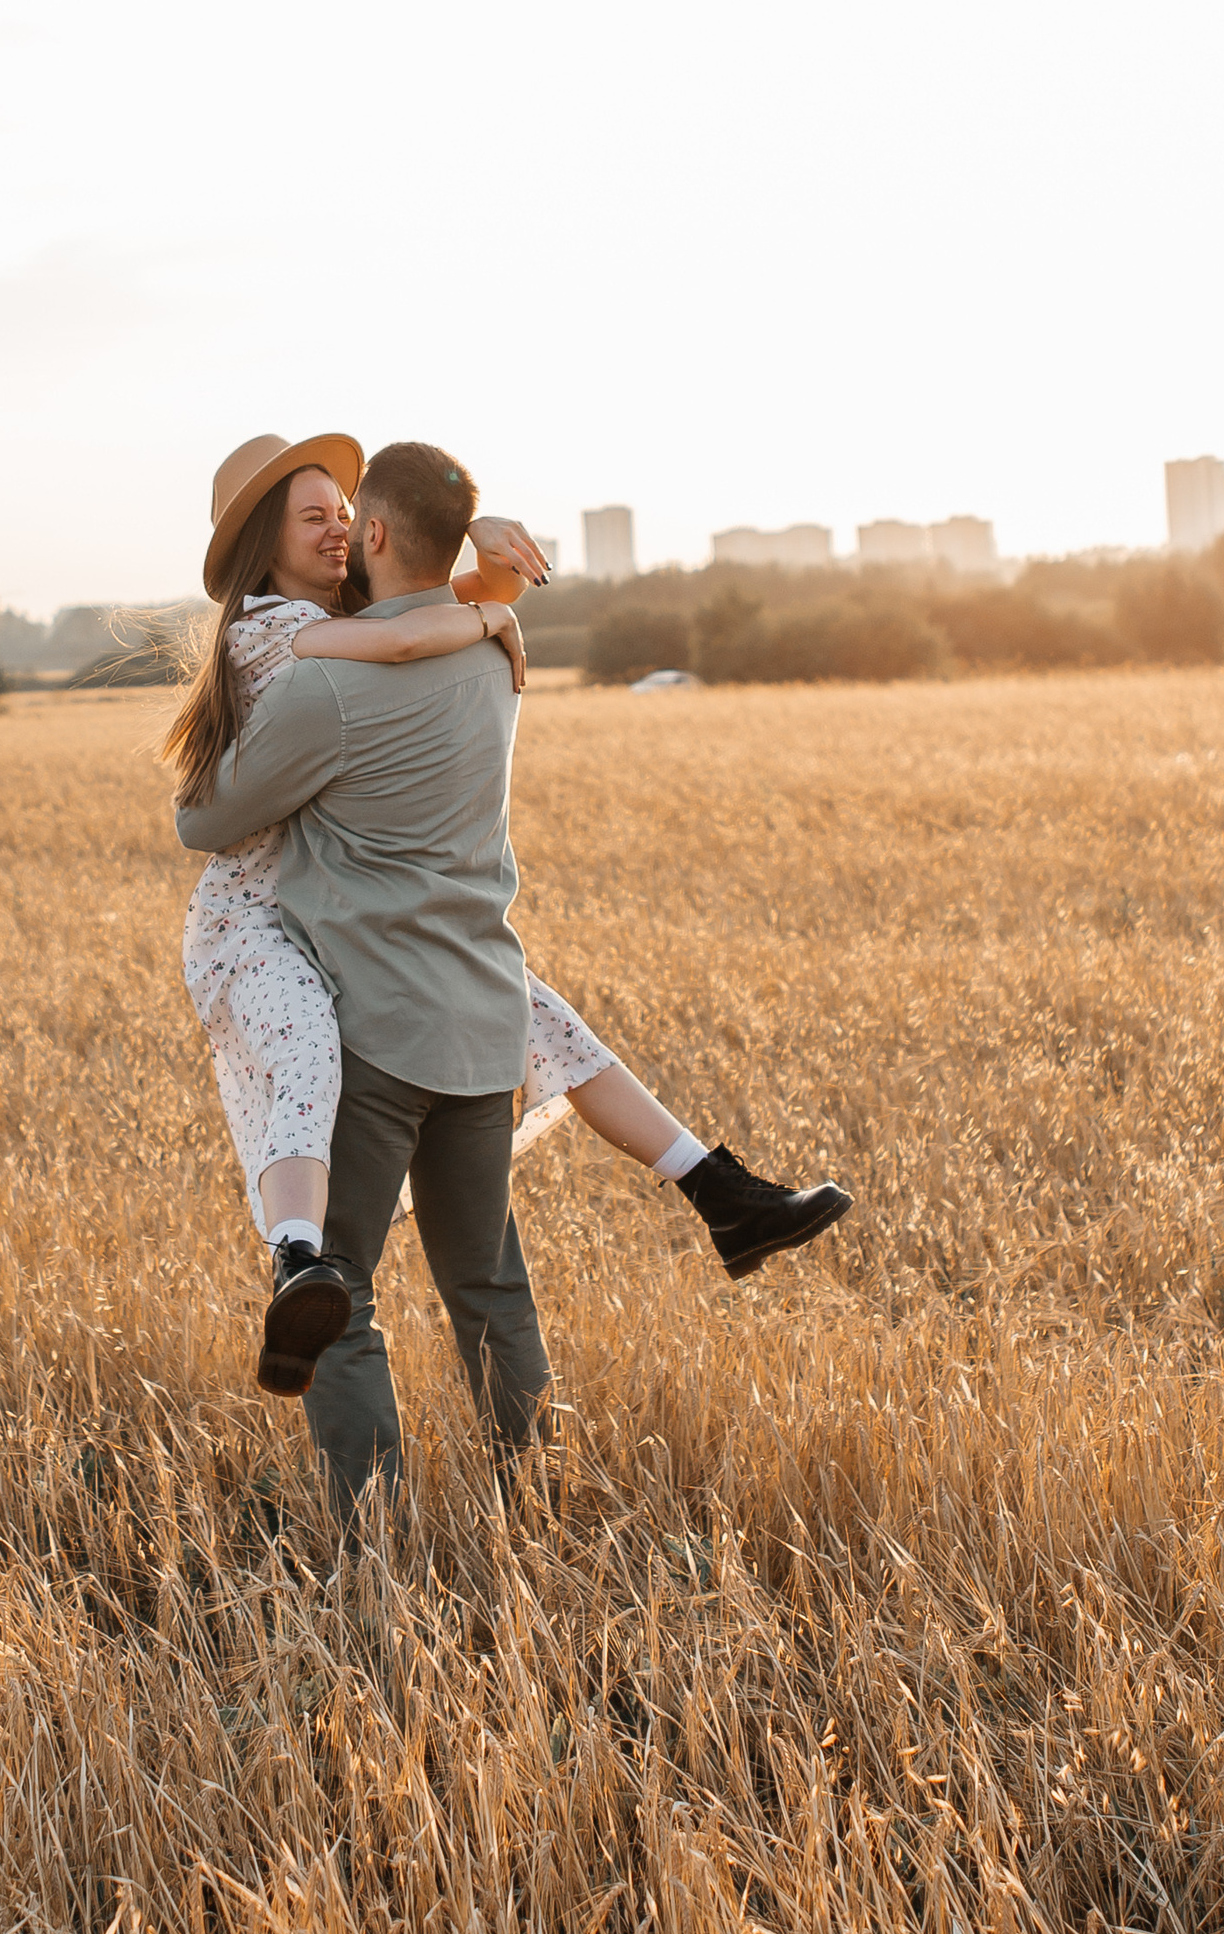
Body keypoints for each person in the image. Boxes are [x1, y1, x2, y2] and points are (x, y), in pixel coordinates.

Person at [169, 433, 852, 1475]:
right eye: (313, 516)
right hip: (311, 938)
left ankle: (368, 1506)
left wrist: (478, 561)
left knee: (526, 1053)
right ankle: (330, 1275)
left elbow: (404, 616)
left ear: (375, 530)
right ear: (264, 544)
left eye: (345, 511)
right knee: (452, 1185)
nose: (338, 527)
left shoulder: (346, 656)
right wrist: (492, 603)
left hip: (373, 972)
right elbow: (407, 629)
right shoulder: (340, 646)